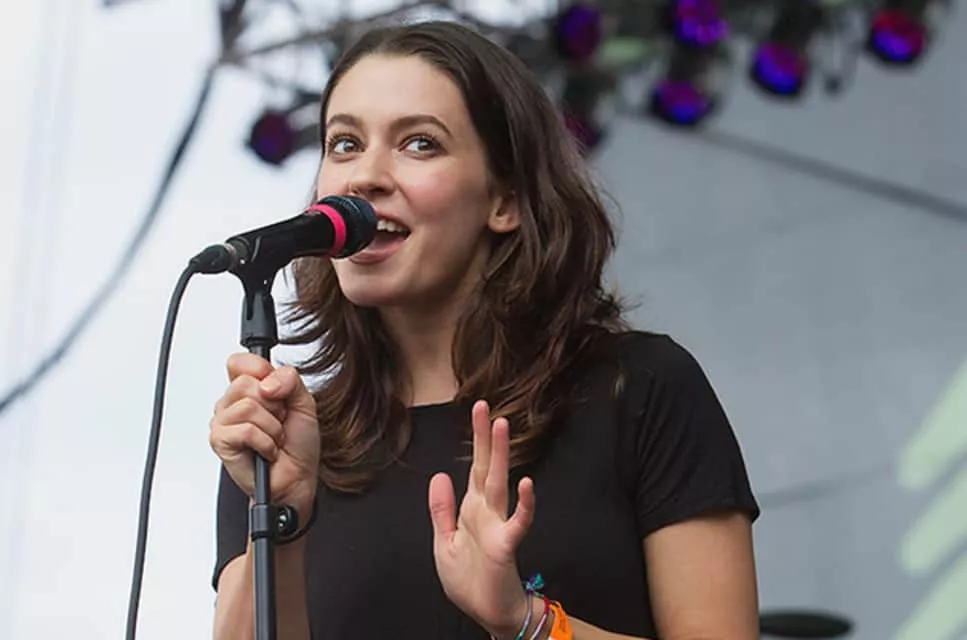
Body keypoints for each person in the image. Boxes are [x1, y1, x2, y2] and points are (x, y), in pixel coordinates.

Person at [209, 19, 760, 640]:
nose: (364, 176)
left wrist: (526, 620)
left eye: (419, 144)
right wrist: (280, 515)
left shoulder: (637, 389)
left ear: (506, 200)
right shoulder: (286, 435)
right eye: (344, 144)